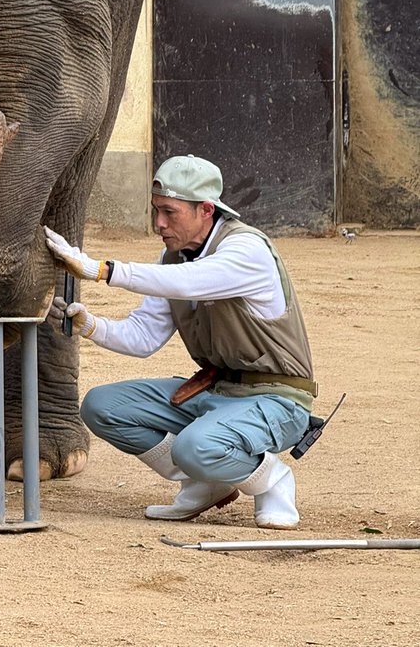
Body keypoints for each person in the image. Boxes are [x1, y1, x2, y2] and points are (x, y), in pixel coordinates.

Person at [45, 154, 316, 529]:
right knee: (101, 406)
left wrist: (100, 270)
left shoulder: (246, 250)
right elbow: (144, 337)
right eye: (155, 210)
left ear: (206, 209)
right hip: (215, 391)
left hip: (275, 400)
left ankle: (271, 479)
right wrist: (91, 326)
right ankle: (205, 482)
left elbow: (191, 281)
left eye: (170, 212)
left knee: (195, 447)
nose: (158, 223)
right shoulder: (174, 258)